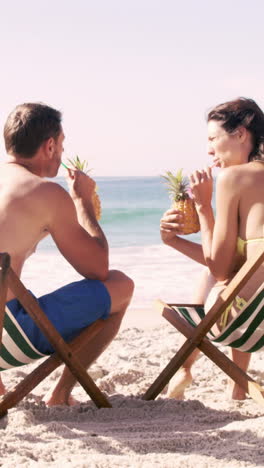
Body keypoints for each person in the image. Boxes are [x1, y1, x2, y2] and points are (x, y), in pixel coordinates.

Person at [0, 102, 134, 406]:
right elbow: (98, 270)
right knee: (121, 286)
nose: (61, 153)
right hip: (8, 340)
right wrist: (82, 202)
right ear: (49, 146)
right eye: (61, 145)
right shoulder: (44, 192)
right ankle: (60, 394)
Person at [160, 97, 264, 400]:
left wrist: (204, 206)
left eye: (213, 138)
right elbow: (237, 263)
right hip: (255, 308)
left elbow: (220, 269)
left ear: (241, 134)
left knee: (212, 279)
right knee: (236, 275)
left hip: (246, 321)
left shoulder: (234, 178)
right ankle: (236, 385)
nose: (208, 149)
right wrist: (175, 241)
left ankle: (186, 366)